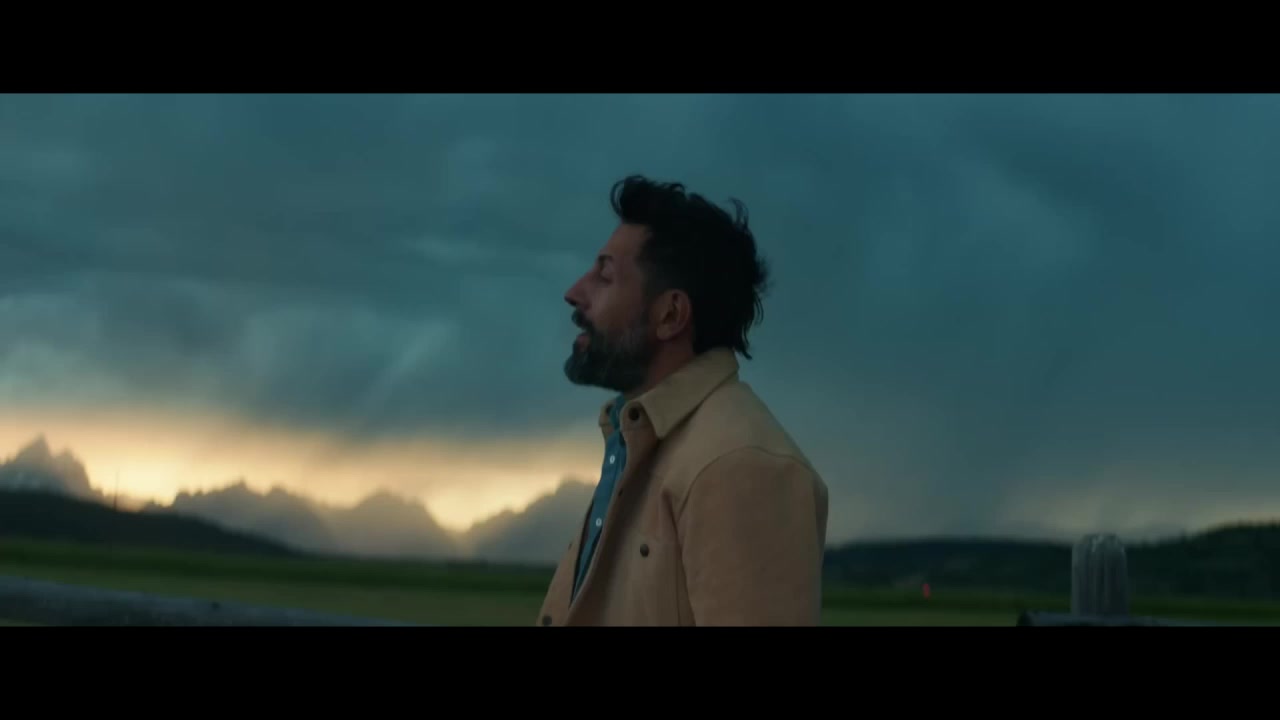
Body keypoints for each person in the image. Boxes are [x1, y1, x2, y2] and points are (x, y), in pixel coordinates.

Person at [536, 175, 829, 626]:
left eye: (605, 276)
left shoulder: (741, 466)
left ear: (670, 315)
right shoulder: (640, 444)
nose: (575, 292)